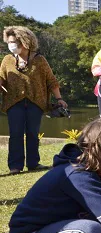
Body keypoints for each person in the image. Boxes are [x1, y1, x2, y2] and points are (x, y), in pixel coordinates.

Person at [0, 26, 68, 175]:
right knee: (15, 134)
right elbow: (2, 80)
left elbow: (51, 81)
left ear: (24, 41)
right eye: (9, 42)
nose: (10, 45)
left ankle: (33, 163)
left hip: (36, 102)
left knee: (33, 133)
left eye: (13, 42)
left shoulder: (40, 60)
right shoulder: (7, 60)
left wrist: (59, 99)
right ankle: (15, 167)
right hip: (13, 102)